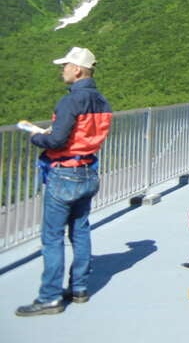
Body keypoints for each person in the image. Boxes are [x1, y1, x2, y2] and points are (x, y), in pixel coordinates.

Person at [16, 47, 112, 317]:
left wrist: (37, 137)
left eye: (66, 66)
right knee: (80, 231)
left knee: (53, 237)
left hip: (64, 174)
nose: (63, 70)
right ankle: (79, 288)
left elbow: (57, 141)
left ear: (78, 70)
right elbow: (82, 135)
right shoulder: (103, 102)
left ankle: (49, 298)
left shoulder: (70, 101)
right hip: (88, 170)